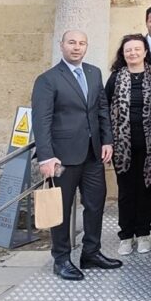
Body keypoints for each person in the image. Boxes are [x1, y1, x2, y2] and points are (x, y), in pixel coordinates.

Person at [32, 30, 122, 280]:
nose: (77, 47)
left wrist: (107, 140)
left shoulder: (93, 73)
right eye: (72, 42)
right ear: (61, 46)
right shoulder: (48, 80)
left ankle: (91, 252)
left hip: (93, 154)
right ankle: (61, 258)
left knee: (95, 203)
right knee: (60, 209)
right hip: (62, 157)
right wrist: (46, 156)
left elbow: (101, 108)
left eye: (82, 43)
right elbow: (41, 120)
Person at [105, 33, 151, 256]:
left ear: (146, 52)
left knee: (146, 191)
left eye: (137, 49)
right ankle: (126, 236)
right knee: (126, 192)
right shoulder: (115, 78)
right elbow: (104, 109)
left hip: (150, 147)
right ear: (123, 53)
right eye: (128, 50)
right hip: (122, 147)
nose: (133, 53)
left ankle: (144, 233)